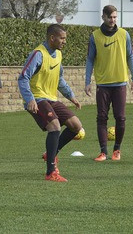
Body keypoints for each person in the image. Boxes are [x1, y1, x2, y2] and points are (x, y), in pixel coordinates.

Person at [18, 24, 83, 182]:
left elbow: (59, 79)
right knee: (55, 126)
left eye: (65, 38)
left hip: (51, 98)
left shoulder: (58, 54)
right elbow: (23, 77)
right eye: (62, 38)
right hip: (38, 98)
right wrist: (30, 99)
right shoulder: (38, 54)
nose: (64, 41)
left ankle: (51, 153)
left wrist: (71, 97)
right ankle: (51, 172)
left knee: (76, 126)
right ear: (52, 38)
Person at [85, 5, 133, 162]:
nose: (112, 20)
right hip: (102, 84)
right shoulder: (95, 36)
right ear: (103, 17)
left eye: (115, 17)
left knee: (120, 117)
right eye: (110, 17)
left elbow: (130, 57)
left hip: (120, 83)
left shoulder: (124, 34)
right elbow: (90, 59)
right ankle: (103, 152)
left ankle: (117, 150)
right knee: (101, 117)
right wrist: (87, 81)